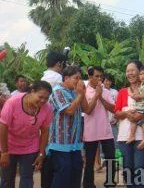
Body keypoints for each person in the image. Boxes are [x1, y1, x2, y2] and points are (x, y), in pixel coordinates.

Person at [115, 60, 144, 188]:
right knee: (128, 170)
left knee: (140, 168)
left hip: (142, 137)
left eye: (132, 70)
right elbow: (116, 112)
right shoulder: (123, 92)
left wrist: (142, 115)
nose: (129, 73)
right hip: (124, 137)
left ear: (140, 72)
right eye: (127, 71)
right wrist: (126, 114)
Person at [0, 81, 53, 188]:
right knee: (7, 179)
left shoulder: (47, 108)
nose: (43, 101)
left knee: (27, 178)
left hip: (30, 147)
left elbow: (45, 131)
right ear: (32, 92)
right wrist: (4, 152)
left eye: (46, 98)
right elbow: (3, 126)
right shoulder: (13, 102)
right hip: (9, 145)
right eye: (40, 96)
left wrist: (41, 153)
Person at [47, 66, 89, 188]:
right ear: (66, 78)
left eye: (80, 78)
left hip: (75, 144)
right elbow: (69, 110)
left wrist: (82, 93)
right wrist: (80, 94)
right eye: (76, 78)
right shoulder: (57, 91)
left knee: (75, 176)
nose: (79, 81)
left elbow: (86, 109)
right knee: (62, 178)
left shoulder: (75, 91)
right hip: (60, 144)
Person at [83, 66, 116, 188]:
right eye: (96, 76)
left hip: (105, 131)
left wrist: (101, 96)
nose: (100, 79)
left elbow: (113, 108)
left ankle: (110, 183)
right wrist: (96, 95)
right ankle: (88, 184)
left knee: (111, 158)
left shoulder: (106, 91)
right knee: (90, 161)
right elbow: (88, 111)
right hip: (90, 131)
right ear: (90, 76)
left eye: (101, 76)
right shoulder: (84, 91)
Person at [40, 51, 66, 188]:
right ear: (59, 64)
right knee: (53, 159)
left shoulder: (43, 77)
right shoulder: (58, 79)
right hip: (55, 122)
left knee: (45, 154)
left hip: (42, 121)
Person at [127, 64, 144, 150]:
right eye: (141, 74)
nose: (142, 76)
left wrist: (138, 96)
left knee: (133, 118)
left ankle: (132, 135)